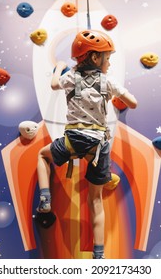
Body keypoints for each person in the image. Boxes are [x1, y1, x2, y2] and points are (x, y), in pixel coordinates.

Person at [36, 30, 137, 259]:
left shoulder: (70, 77)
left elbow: (53, 85)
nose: (109, 63)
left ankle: (45, 198)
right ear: (94, 57)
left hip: (74, 140)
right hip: (99, 146)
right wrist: (115, 95)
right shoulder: (108, 82)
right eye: (107, 58)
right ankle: (98, 255)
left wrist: (59, 66)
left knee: (43, 156)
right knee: (96, 200)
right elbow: (134, 103)